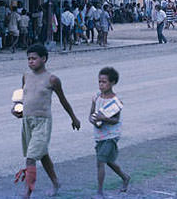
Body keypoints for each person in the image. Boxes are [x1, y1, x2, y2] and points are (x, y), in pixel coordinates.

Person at [12, 44, 80, 198]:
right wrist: (16, 108)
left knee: (31, 157)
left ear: (44, 59)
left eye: (34, 58)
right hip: (28, 121)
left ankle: (27, 193)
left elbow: (63, 100)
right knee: (42, 154)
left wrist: (73, 118)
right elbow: (22, 97)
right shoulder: (26, 76)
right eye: (28, 59)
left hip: (43, 122)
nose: (31, 61)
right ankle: (56, 182)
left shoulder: (52, 79)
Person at [89, 67, 130, 197]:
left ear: (112, 83)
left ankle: (100, 191)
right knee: (109, 161)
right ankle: (125, 177)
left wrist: (104, 119)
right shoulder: (96, 97)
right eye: (99, 82)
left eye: (104, 82)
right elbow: (91, 114)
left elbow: (116, 120)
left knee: (100, 162)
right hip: (99, 135)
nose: (101, 85)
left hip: (111, 136)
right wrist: (93, 120)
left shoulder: (115, 101)